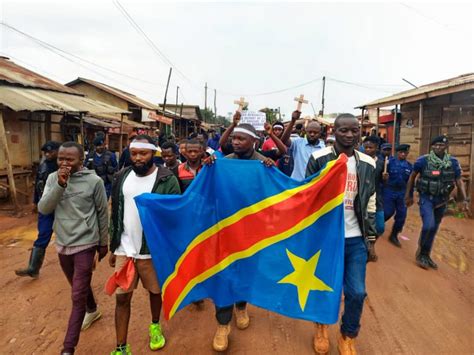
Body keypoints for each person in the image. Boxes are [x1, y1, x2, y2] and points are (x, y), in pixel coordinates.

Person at [306, 113, 377, 355]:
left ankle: (347, 335)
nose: (349, 135)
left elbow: (370, 200)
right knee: (325, 286)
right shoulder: (318, 159)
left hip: (356, 238)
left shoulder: (368, 162)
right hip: (326, 238)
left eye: (354, 130)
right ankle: (321, 327)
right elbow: (307, 198)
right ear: (333, 132)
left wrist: (371, 239)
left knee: (357, 292)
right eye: (343, 130)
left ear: (360, 132)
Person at [207, 120, 275, 352]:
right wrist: (209, 167)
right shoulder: (224, 164)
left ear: (254, 142)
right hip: (225, 231)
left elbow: (275, 195)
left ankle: (242, 306)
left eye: (240, 139)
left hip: (252, 233)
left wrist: (270, 170)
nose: (235, 142)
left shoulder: (263, 165)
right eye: (234, 138)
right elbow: (209, 191)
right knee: (224, 275)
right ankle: (223, 324)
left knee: (246, 272)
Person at [109, 135, 180, 355]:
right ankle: (121, 346)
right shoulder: (121, 176)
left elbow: (174, 215)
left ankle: (155, 326)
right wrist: (113, 246)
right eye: (134, 153)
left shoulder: (166, 179)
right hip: (125, 250)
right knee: (122, 299)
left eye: (143, 153)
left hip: (152, 251)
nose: (138, 158)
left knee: (154, 292)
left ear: (153, 154)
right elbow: (116, 212)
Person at [38, 141, 108, 355]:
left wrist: (103, 242)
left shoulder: (94, 181)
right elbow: (44, 208)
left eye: (70, 159)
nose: (64, 163)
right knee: (78, 285)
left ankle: (68, 348)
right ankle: (93, 310)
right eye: (61, 158)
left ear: (81, 160)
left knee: (77, 295)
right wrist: (60, 185)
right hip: (63, 243)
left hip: (86, 243)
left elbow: (102, 212)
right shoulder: (52, 178)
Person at [405, 136, 469, 270]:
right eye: (436, 145)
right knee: (428, 225)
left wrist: (463, 199)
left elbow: (459, 181)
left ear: (446, 147)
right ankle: (420, 253)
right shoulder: (423, 161)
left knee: (433, 229)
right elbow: (412, 176)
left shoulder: (452, 162)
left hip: (442, 200)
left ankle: (426, 255)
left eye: (441, 145)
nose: (438, 147)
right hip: (426, 198)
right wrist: (409, 195)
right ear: (432, 146)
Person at [15, 141, 60, 278]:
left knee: (69, 235)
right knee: (43, 234)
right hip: (45, 206)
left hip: (61, 207)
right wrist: (35, 202)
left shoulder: (64, 165)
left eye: (50, 151)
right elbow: (38, 185)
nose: (47, 154)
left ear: (58, 151)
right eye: (45, 152)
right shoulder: (43, 165)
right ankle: (33, 267)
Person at [383, 144, 413, 247]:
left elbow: (410, 182)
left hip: (402, 193)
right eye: (401, 152)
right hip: (389, 190)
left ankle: (394, 235)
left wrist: (410, 196)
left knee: (402, 215)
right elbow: (382, 178)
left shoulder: (409, 166)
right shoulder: (389, 163)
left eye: (405, 152)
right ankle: (376, 226)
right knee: (387, 212)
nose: (403, 154)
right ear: (397, 153)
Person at [282, 112, 326, 181]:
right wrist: (293, 121)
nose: (312, 134)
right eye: (310, 132)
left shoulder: (324, 149)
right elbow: (284, 140)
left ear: (320, 133)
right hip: (296, 185)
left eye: (315, 132)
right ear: (306, 131)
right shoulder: (298, 143)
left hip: (313, 186)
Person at [362, 136, 384, 261]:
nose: (368, 150)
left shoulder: (381, 163)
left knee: (380, 227)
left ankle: (371, 244)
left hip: (377, 198)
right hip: (362, 198)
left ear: (377, 148)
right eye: (366, 147)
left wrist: (385, 178)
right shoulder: (359, 161)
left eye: (371, 147)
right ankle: (368, 247)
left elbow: (384, 183)